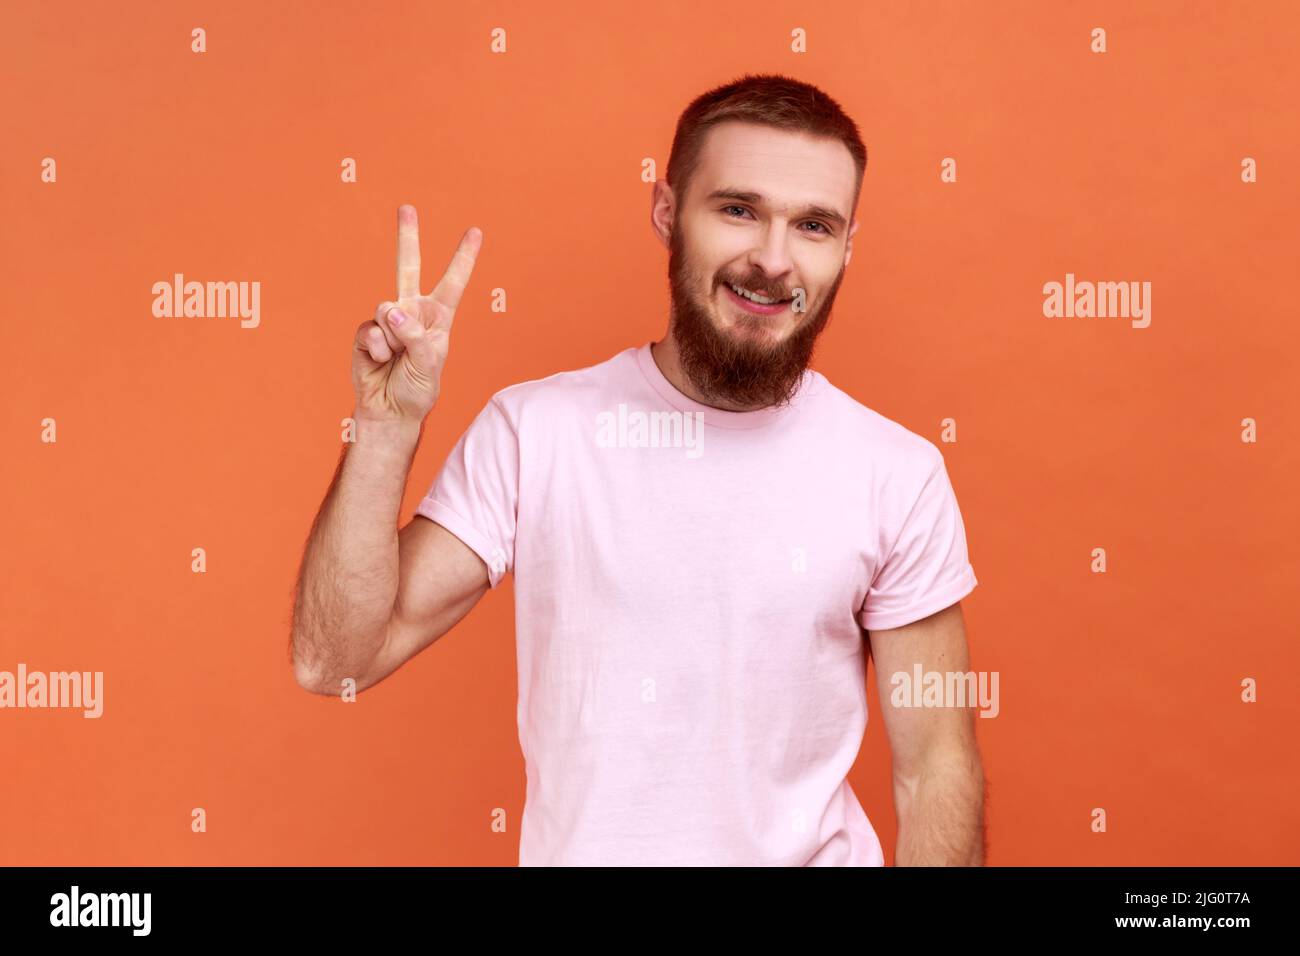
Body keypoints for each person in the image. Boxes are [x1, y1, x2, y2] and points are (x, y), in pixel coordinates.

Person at [291, 73, 985, 867]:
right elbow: (335, 660)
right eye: (738, 210)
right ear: (667, 213)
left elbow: (937, 769)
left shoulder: (896, 473)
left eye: (815, 226)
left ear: (848, 247)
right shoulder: (538, 432)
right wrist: (384, 428)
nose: (772, 260)